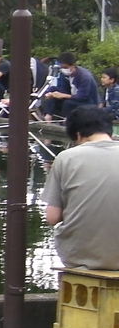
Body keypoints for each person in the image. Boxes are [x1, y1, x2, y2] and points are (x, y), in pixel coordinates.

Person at [43, 106, 119, 270]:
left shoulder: (66, 158)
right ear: (109, 130)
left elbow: (52, 217)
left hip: (79, 256)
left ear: (77, 134)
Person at [41, 52, 99, 122]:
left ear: (73, 65)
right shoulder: (64, 74)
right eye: (62, 68)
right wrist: (50, 93)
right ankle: (48, 116)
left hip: (88, 103)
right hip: (72, 97)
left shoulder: (85, 77)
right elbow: (62, 89)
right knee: (52, 92)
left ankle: (67, 122)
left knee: (68, 103)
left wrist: (62, 95)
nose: (63, 69)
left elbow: (82, 96)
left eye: (65, 67)